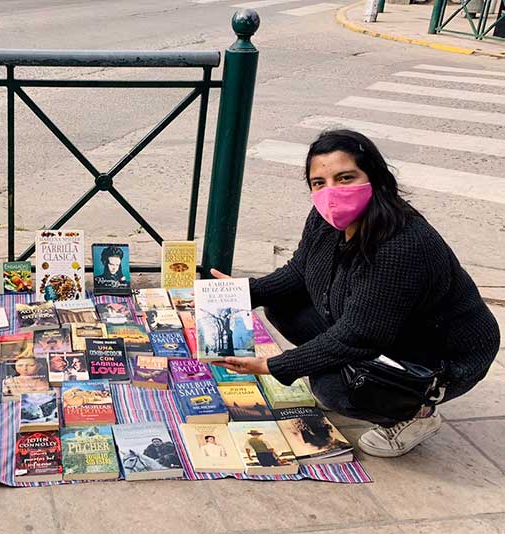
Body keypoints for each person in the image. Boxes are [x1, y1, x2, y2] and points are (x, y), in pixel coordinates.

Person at [212, 129, 500, 458]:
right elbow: (299, 271)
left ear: (374, 177)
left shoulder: (401, 244)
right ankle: (348, 373)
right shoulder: (326, 219)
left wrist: (274, 365)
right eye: (319, 182)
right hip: (387, 330)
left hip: (441, 357)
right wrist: (239, 292)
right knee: (284, 306)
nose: (331, 191)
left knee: (333, 388)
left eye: (345, 177)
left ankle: (414, 413)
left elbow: (358, 336)